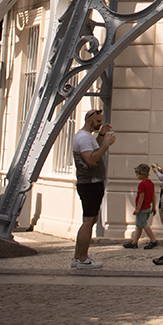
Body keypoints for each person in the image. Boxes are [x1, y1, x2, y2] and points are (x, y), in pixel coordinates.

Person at [71, 110, 115, 270]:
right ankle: (82, 259)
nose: (100, 123)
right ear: (89, 121)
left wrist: (101, 135)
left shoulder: (86, 137)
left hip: (91, 183)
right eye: (97, 121)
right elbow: (90, 159)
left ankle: (78, 257)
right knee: (88, 222)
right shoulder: (83, 138)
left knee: (90, 220)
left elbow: (92, 149)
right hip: (90, 184)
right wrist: (106, 145)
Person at [122, 163, 159, 250]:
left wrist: (137, 209)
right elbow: (153, 195)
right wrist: (154, 207)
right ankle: (134, 242)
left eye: (137, 174)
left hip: (142, 208)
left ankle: (153, 240)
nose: (137, 176)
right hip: (148, 207)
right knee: (139, 225)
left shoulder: (142, 184)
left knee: (143, 224)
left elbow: (141, 196)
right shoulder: (151, 183)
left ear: (142, 174)